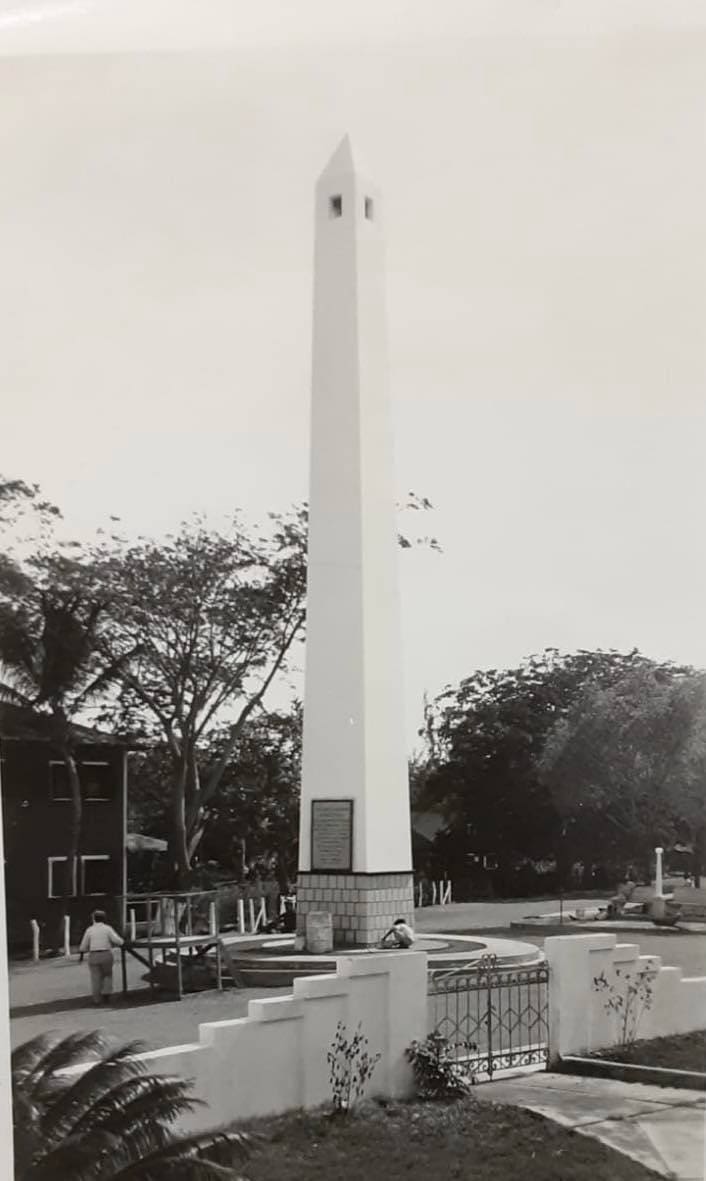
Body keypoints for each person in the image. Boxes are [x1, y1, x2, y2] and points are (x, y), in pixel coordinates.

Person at [79, 909, 124, 1005]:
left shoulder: (89, 930)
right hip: (106, 954)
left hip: (94, 955)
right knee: (107, 975)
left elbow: (83, 946)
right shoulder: (107, 928)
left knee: (95, 978)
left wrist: (84, 951)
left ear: (94, 919)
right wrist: (122, 942)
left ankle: (96, 999)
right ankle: (106, 995)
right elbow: (117, 940)